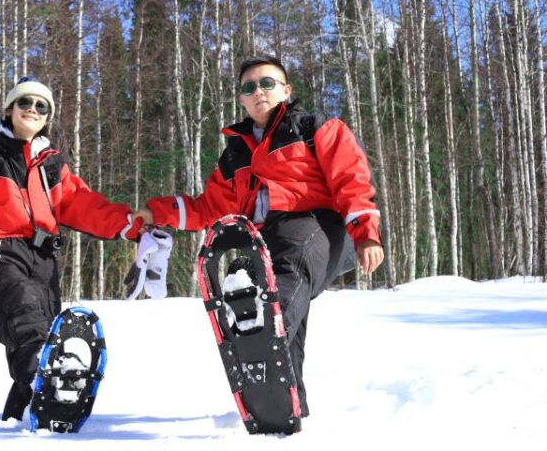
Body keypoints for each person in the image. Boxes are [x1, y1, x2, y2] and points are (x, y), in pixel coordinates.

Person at [135, 55, 383, 419]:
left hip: (314, 224)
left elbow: (351, 179)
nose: (258, 92)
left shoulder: (315, 128)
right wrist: (157, 212)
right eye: (249, 87)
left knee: (284, 280)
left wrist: (367, 234)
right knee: (274, 306)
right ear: (242, 99)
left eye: (267, 83)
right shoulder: (235, 153)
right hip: (262, 238)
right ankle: (283, 406)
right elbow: (209, 208)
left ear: (285, 90)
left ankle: (262, 327)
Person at [0, 76, 142, 421]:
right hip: (0, 257)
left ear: (47, 117)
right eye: (24, 103)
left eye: (41, 106)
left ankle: (20, 421)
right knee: (27, 325)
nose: (32, 109)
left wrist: (131, 224)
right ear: (9, 109)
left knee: (46, 338)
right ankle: (44, 388)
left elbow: (84, 205)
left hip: (44, 260)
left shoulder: (51, 164)